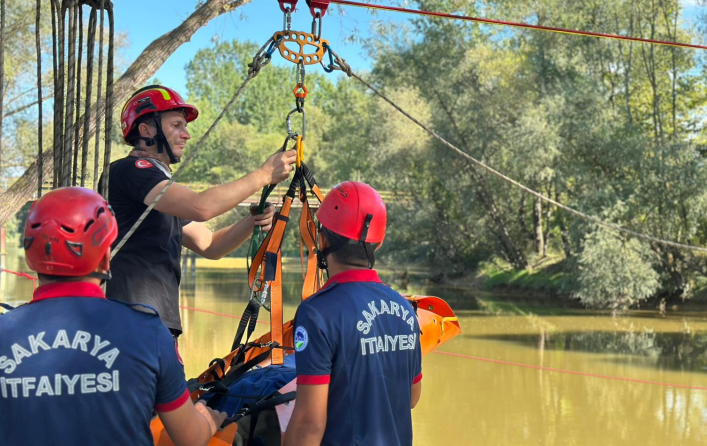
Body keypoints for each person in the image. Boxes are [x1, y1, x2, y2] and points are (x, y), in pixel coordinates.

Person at [0, 187, 227, 446]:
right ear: (105, 258)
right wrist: (209, 420)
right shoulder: (147, 331)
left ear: (31, 253)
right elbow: (191, 439)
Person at [103, 85, 296, 339]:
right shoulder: (130, 170)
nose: (186, 135)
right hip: (132, 319)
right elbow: (201, 207)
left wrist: (252, 221)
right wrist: (263, 175)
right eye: (177, 126)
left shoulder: (162, 193)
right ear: (146, 131)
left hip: (155, 322)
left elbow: (211, 246)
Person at [285, 181, 422, 446]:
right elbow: (412, 397)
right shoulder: (405, 309)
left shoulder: (317, 314)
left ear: (322, 240)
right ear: (378, 244)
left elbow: (308, 424)